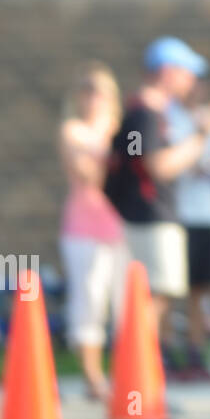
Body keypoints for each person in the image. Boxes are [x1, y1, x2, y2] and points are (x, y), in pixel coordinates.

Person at [105, 37, 210, 366]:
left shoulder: (144, 113)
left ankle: (140, 376)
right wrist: (201, 137)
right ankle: (136, 375)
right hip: (148, 217)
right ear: (167, 72)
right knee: (152, 298)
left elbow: (136, 159)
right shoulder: (146, 115)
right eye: (186, 73)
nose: (191, 82)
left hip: (144, 216)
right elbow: (155, 166)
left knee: (151, 298)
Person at [57, 62, 127, 401]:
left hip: (121, 227)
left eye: (99, 91)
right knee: (90, 302)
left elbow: (139, 168)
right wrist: (115, 160)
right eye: (87, 90)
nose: (93, 98)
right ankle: (93, 377)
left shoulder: (121, 130)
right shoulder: (73, 131)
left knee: (124, 304)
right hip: (84, 228)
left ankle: (126, 375)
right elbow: (90, 175)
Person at [165, 78, 210, 380]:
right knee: (167, 290)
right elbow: (177, 163)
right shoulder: (169, 116)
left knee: (200, 291)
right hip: (178, 216)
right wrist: (200, 142)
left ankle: (195, 356)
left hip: (207, 215)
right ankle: (166, 355)